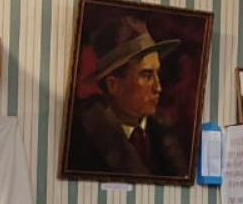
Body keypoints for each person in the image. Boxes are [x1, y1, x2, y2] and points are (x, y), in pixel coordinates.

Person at [65, 15, 191, 178]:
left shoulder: (165, 130)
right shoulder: (83, 138)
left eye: (157, 74)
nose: (158, 88)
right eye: (146, 76)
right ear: (113, 85)